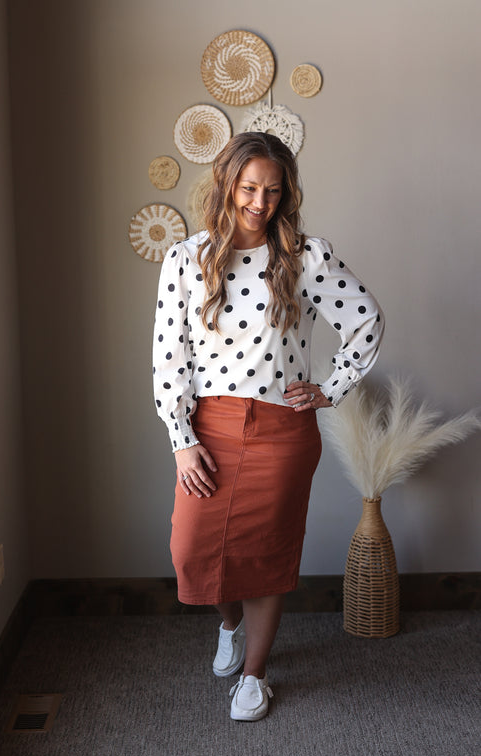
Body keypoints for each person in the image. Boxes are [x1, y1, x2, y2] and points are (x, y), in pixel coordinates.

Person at [152, 132, 384, 721]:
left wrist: (331, 387)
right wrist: (182, 441)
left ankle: (254, 677)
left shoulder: (305, 257)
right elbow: (169, 360)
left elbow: (366, 319)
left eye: (274, 191)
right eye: (250, 188)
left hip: (282, 432)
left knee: (267, 557)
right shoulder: (186, 259)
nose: (261, 202)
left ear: (286, 194)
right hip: (210, 426)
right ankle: (229, 625)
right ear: (227, 184)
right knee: (189, 548)